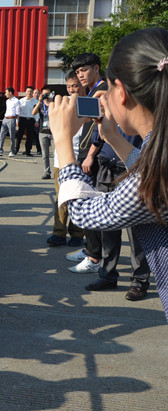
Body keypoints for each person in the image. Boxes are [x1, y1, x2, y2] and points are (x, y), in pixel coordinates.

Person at [50, 28, 168, 311]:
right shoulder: (158, 149)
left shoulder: (154, 174)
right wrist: (114, 137)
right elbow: (145, 166)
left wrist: (63, 141)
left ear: (122, 92)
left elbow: (86, 213)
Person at [65, 53, 108, 274]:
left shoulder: (103, 90)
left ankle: (94, 256)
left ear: (96, 68)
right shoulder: (92, 91)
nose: (80, 75)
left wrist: (91, 155)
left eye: (84, 70)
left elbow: (103, 128)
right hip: (85, 153)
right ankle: (90, 249)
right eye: (78, 71)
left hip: (95, 156)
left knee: (89, 203)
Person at [44, 73, 85, 247]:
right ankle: (58, 233)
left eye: (75, 85)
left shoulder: (89, 104)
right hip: (60, 160)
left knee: (79, 197)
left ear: (83, 85)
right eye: (68, 86)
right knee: (61, 198)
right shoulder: (62, 104)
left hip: (81, 160)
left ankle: (77, 233)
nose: (71, 89)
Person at [33, 85, 54, 179]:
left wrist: (51, 101)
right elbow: (33, 113)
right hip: (43, 132)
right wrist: (39, 101)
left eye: (48, 94)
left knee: (56, 154)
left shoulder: (54, 104)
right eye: (44, 94)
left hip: (53, 132)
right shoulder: (40, 104)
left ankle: (58, 171)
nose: (46, 96)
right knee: (45, 154)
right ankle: (47, 172)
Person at [0, 87, 20, 157]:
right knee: (1, 135)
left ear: (10, 93)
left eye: (6, 92)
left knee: (12, 136)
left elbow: (17, 113)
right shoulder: (7, 101)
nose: (5, 94)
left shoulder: (16, 101)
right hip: (5, 119)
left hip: (12, 119)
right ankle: (0, 151)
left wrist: (16, 121)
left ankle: (12, 151)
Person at [14, 86, 39, 156]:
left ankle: (28, 151)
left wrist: (37, 121)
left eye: (31, 91)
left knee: (30, 136)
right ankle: (16, 149)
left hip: (31, 120)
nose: (29, 93)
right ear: (25, 92)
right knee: (19, 135)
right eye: (28, 91)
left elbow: (37, 112)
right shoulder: (21, 101)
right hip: (22, 119)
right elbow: (18, 111)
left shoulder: (36, 102)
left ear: (32, 93)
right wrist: (17, 120)